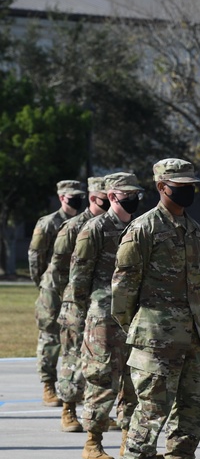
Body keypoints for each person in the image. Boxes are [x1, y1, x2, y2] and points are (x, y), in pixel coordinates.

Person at [112, 158, 200, 459]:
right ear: (162, 186)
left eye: (192, 184)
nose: (188, 189)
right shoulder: (143, 229)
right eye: (181, 184)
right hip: (155, 338)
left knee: (192, 412)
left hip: (190, 337)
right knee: (151, 412)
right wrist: (142, 332)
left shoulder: (196, 231)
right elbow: (123, 290)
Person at [67, 172, 142, 459]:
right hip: (103, 316)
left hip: (134, 315)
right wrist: (82, 318)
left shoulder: (139, 227)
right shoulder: (94, 228)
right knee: (101, 378)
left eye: (136, 194)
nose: (133, 199)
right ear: (112, 196)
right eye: (127, 194)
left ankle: (129, 442)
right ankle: (92, 444)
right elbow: (78, 278)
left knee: (133, 380)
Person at [38, 178, 108, 429]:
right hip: (72, 301)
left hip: (101, 304)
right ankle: (68, 408)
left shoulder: (116, 226)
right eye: (105, 198)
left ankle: (98, 410)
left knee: (102, 361)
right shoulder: (72, 227)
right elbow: (55, 269)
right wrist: (57, 301)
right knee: (72, 357)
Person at [30, 179, 85, 407]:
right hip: (53, 288)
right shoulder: (48, 223)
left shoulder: (84, 222)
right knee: (50, 336)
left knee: (76, 337)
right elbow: (36, 257)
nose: (76, 199)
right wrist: (44, 283)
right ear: (62, 197)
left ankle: (73, 386)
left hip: (75, 288)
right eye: (72, 195)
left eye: (79, 195)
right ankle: (48, 385)